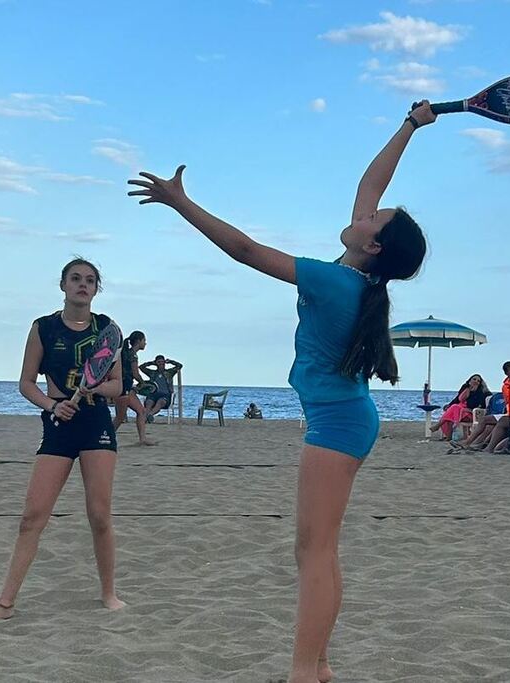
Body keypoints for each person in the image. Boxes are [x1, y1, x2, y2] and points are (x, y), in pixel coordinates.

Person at [127, 101, 433, 683]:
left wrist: (180, 203)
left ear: (372, 244)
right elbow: (372, 182)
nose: (366, 210)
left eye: (376, 217)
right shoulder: (360, 275)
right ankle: (318, 666)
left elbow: (244, 251)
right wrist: (410, 126)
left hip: (338, 424)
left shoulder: (334, 279)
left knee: (313, 553)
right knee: (321, 551)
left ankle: (300, 671)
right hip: (348, 419)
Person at [0, 258, 125, 620]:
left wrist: (93, 385)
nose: (83, 285)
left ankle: (109, 594)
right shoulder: (43, 328)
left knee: (99, 516)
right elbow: (26, 383)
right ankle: (5, 603)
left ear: (96, 289)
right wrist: (52, 406)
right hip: (59, 425)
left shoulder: (108, 328)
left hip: (96, 423)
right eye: (75, 279)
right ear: (63, 285)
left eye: (90, 280)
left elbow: (118, 385)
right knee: (32, 517)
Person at [461, 361, 510, 452]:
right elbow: (507, 402)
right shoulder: (505, 386)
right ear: (506, 373)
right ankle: (469, 443)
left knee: (500, 423)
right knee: (484, 420)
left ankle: (486, 447)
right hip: (509, 413)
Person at [112, 331, 156, 445]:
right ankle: (107, 437)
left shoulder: (125, 353)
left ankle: (142, 439)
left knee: (141, 411)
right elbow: (135, 374)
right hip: (123, 388)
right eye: (144, 340)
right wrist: (143, 383)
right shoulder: (132, 355)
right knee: (120, 417)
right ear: (139, 341)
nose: (145, 343)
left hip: (126, 387)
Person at [429, 374, 490, 440]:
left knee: (454, 408)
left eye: (478, 381)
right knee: (452, 410)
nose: (476, 381)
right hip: (460, 413)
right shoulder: (466, 388)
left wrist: (473, 393)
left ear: (480, 383)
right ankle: (449, 435)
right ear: (470, 380)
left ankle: (439, 425)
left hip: (472, 414)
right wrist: (468, 389)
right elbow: (458, 399)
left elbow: (475, 406)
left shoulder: (481, 393)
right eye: (474, 379)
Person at [140, 354, 183, 422]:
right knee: (149, 402)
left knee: (160, 402)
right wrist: (151, 363)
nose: (161, 364)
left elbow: (179, 366)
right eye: (159, 362)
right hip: (153, 394)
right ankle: (146, 417)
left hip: (165, 395)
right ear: (156, 363)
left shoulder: (169, 372)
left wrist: (171, 361)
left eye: (162, 362)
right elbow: (141, 367)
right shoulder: (152, 373)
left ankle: (149, 415)